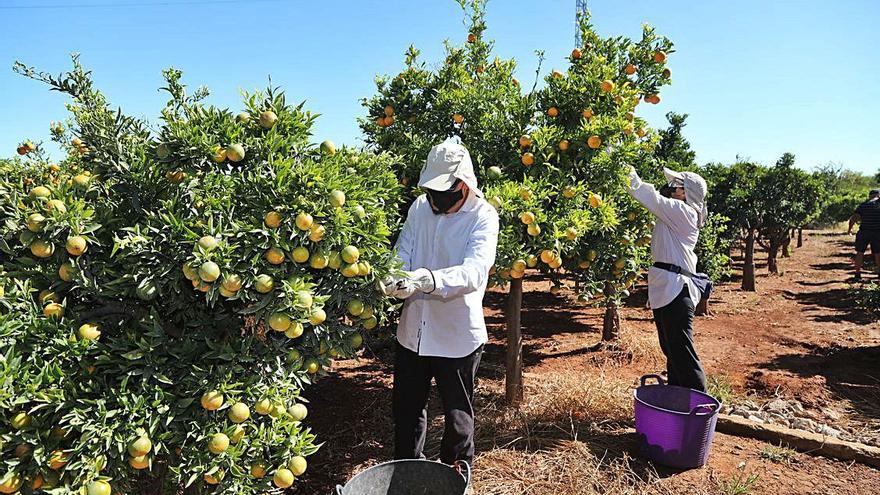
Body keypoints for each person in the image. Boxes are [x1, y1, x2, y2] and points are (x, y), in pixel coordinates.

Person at [382, 138, 499, 468]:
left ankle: (455, 477)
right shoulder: (420, 207)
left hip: (456, 335)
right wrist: (396, 275)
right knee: (406, 411)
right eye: (431, 191)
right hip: (413, 333)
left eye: (443, 192)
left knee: (457, 419)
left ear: (463, 184)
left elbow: (475, 271)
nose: (436, 199)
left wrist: (429, 280)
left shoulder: (483, 216)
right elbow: (403, 249)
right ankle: (407, 473)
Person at [626, 166, 709, 392]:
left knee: (681, 351)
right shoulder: (677, 212)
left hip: (677, 288)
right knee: (671, 350)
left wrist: (626, 169)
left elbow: (648, 196)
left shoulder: (684, 212)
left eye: (676, 185)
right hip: (667, 286)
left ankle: (699, 408)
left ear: (685, 192)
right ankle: (677, 402)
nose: (671, 188)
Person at [847, 189, 880, 281]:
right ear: (878, 195)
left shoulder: (863, 205)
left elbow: (853, 218)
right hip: (877, 233)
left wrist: (850, 230)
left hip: (864, 232)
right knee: (878, 253)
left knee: (860, 252)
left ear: (870, 196)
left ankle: (857, 274)